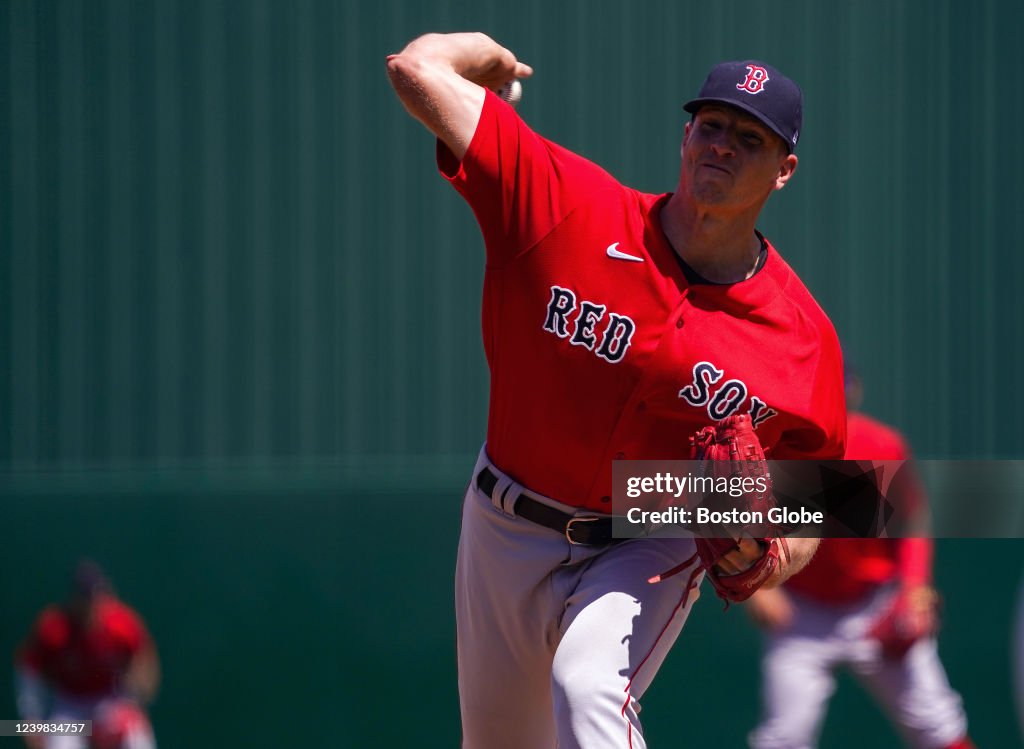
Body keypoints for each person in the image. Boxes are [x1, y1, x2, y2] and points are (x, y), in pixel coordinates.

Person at [386, 33, 845, 749]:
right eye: (712, 124)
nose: (722, 144)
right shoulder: (568, 204)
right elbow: (416, 71)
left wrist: (777, 552)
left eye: (749, 138)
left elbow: (823, 499)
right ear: (685, 134)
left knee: (588, 684)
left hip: (649, 530)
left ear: (784, 170)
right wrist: (482, 57)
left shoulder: (803, 335)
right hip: (504, 523)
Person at [745, 367, 974, 749]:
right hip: (802, 614)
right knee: (783, 738)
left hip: (875, 603)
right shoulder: (770, 451)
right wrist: (756, 589)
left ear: (855, 391)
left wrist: (914, 586)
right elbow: (731, 521)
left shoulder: (881, 444)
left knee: (937, 725)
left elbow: (912, 518)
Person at [14, 560, 160, 749]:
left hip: (110, 699)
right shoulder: (54, 628)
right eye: (86, 598)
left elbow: (144, 659)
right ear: (74, 599)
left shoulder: (120, 623)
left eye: (97, 596)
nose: (92, 604)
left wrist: (134, 700)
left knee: (139, 742)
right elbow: (28, 670)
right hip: (70, 706)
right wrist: (31, 720)